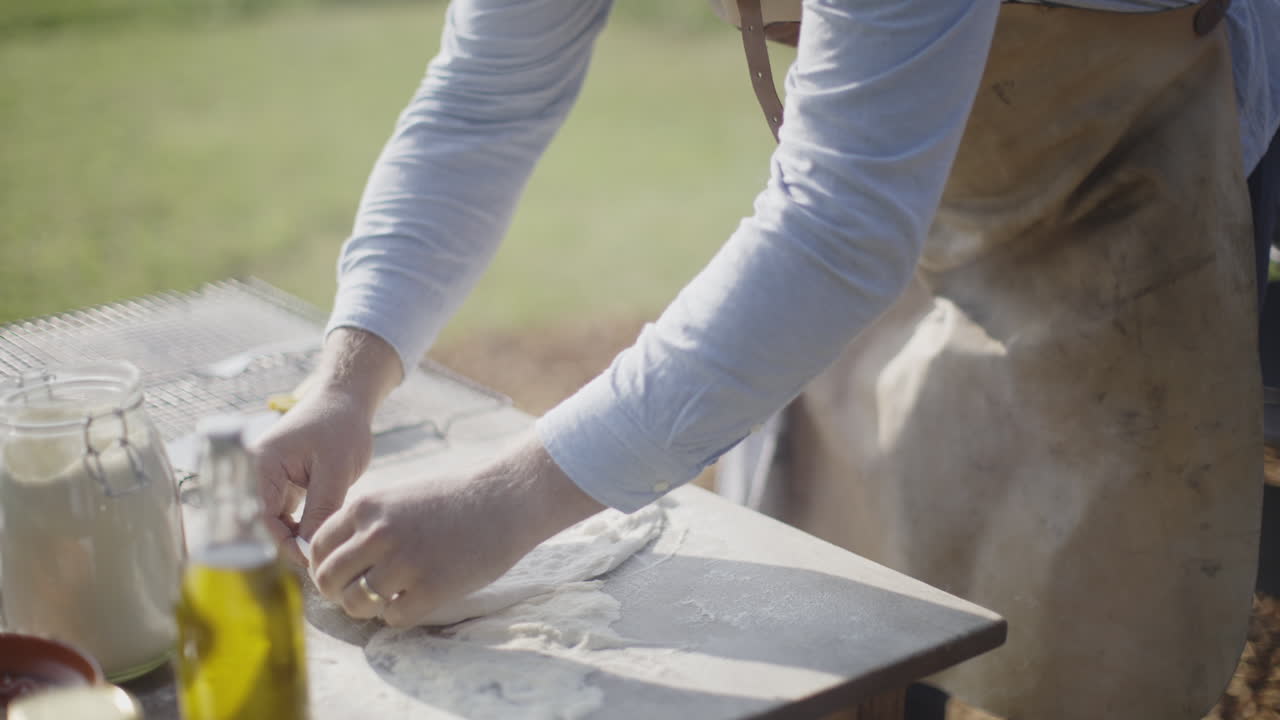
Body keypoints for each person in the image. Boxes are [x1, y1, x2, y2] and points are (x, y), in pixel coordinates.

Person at [250, 0, 1280, 717]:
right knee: (834, 590)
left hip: (1121, 178)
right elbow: (483, 99)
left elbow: (839, 229)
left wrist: (506, 500)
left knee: (1088, 626)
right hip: (878, 186)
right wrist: (346, 382)